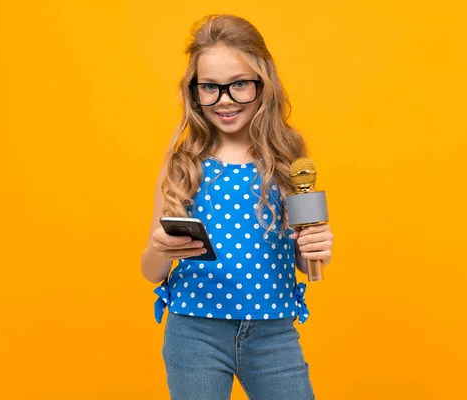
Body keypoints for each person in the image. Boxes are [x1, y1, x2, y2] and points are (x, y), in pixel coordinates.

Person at [140, 14, 334, 400]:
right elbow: (150, 271)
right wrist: (161, 249)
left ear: (264, 85)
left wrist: (318, 248)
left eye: (239, 85)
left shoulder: (287, 157)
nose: (224, 100)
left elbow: (302, 257)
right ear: (193, 91)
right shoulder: (183, 163)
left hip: (272, 332)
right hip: (195, 332)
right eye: (209, 87)